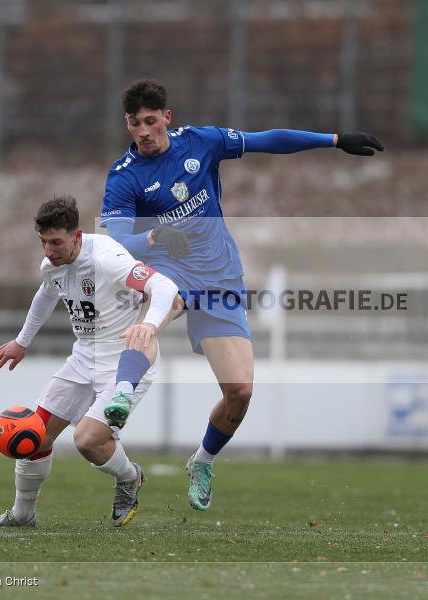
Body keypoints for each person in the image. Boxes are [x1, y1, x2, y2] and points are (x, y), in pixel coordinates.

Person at [101, 79, 384, 511]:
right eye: (134, 123)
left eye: (150, 121)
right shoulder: (125, 175)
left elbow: (267, 141)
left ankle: (202, 460)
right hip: (169, 273)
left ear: (167, 118)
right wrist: (157, 236)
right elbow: (119, 241)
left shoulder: (200, 142)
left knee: (241, 392)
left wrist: (334, 139)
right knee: (149, 321)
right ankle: (123, 392)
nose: (143, 131)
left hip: (220, 277)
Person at [0, 196, 179, 528]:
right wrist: (22, 342)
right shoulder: (51, 264)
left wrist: (148, 326)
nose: (48, 250)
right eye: (43, 242)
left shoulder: (107, 259)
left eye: (56, 242)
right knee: (35, 434)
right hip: (84, 356)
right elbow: (46, 293)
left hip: (125, 360)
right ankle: (23, 515)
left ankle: (129, 478)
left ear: (77, 236)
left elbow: (164, 286)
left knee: (87, 440)